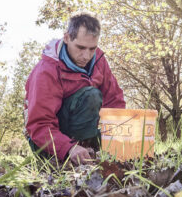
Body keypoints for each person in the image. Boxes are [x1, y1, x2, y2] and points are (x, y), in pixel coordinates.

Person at [24, 13, 125, 164]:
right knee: (91, 95)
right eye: (80, 47)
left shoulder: (98, 60)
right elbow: (39, 125)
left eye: (92, 49)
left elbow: (114, 102)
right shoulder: (46, 71)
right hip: (45, 143)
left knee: (116, 141)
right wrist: (69, 148)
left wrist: (119, 139)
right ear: (67, 38)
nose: (86, 55)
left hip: (82, 131)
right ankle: (77, 152)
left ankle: (88, 149)